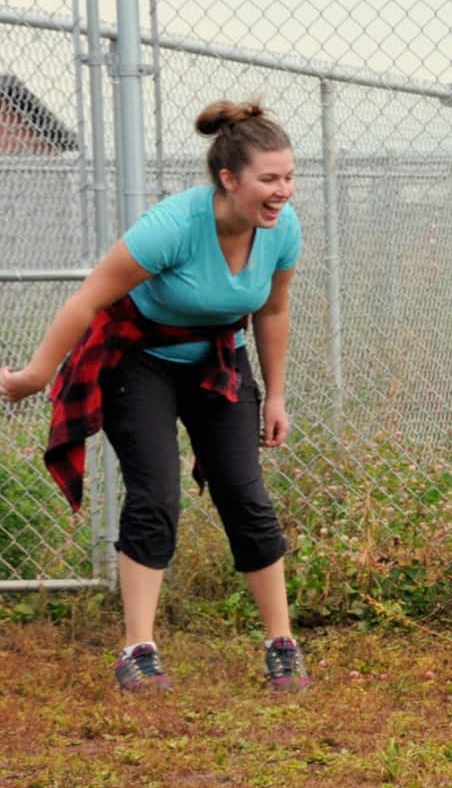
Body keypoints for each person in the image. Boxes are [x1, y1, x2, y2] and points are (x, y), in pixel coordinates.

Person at [1, 99, 310, 693]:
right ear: (229, 179)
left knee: (245, 494)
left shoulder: (282, 230)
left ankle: (282, 644)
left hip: (217, 359)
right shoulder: (173, 226)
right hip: (137, 359)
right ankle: (138, 650)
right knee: (156, 497)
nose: (283, 191)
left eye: (289, 177)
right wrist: (36, 375)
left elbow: (273, 309)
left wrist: (275, 396)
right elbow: (88, 300)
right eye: (269, 179)